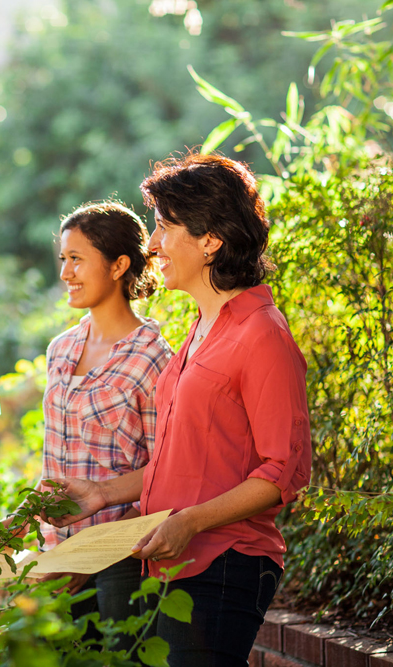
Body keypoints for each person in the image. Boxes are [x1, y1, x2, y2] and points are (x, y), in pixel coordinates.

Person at [46, 153, 312, 666]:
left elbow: (285, 473)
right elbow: (185, 462)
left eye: (164, 227)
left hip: (225, 561)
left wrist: (189, 522)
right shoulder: (201, 328)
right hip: (175, 561)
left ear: (210, 239)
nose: (152, 244)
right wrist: (101, 493)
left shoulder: (262, 334)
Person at [38, 201, 172, 650]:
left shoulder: (154, 359)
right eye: (63, 259)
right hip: (56, 555)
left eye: (77, 260)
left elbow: (166, 473)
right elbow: (52, 456)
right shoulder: (61, 348)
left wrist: (97, 555)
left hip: (123, 561)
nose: (66, 273)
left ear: (118, 266)